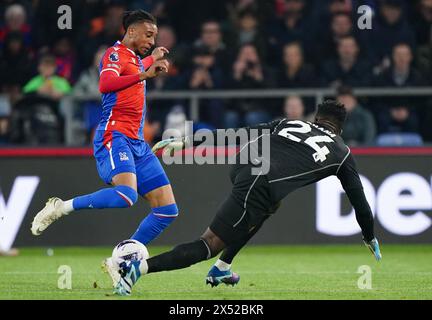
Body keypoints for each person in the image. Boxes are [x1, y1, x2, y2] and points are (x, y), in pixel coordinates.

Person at [114, 100, 382, 296]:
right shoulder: (341, 152)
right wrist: (369, 236)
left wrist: (187, 142)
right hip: (261, 182)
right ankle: (139, 269)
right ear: (340, 128)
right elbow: (361, 204)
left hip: (246, 163)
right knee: (209, 244)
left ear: (315, 118)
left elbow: (243, 131)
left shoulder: (291, 122)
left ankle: (222, 267)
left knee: (270, 205)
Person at [30, 10, 179, 287]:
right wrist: (145, 73)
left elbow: (134, 68)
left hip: (137, 142)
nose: (151, 39)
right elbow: (105, 83)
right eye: (148, 34)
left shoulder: (134, 59)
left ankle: (118, 261)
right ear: (131, 32)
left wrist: (150, 59)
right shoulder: (113, 54)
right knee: (126, 196)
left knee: (167, 210)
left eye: (154, 36)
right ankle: (61, 207)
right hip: (115, 135)